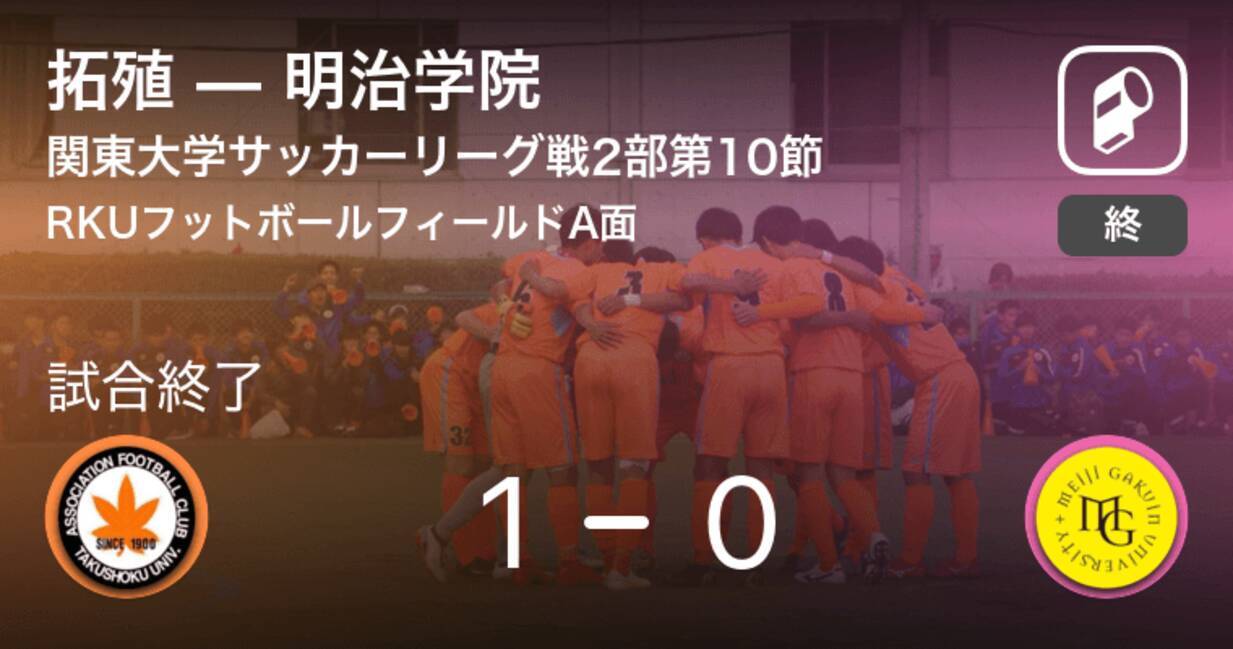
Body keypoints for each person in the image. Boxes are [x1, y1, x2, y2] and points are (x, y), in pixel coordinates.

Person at [846, 238, 982, 579]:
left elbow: (880, 313)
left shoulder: (869, 287)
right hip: (959, 373)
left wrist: (918, 313)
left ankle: (910, 561)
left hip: (940, 379)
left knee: (916, 472)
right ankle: (966, 557)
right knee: (956, 474)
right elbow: (912, 298)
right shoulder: (896, 278)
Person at [570, 239, 689, 590]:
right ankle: (621, 568)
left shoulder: (596, 272)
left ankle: (606, 557)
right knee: (634, 465)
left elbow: (570, 297)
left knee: (598, 465)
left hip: (590, 357)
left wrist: (590, 321)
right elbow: (686, 297)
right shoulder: (660, 270)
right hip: (635, 359)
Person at [418, 284, 505, 578]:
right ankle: (463, 551)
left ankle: (483, 551)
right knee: (461, 462)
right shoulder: (504, 309)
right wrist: (493, 334)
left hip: (479, 385)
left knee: (485, 465)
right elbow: (464, 317)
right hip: (450, 374)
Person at [997, 313, 1057, 435]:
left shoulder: (1042, 351)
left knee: (1038, 439)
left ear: (1035, 329)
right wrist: (1019, 369)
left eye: (1030, 326)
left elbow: (1052, 378)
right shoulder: (1009, 352)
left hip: (1038, 402)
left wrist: (1039, 372)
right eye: (1023, 326)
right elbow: (1002, 378)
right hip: (1017, 402)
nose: (1027, 330)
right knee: (1016, 439)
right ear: (1017, 329)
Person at [1095, 317, 1151, 437]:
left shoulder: (1137, 349)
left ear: (1132, 336)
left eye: (1128, 335)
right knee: (1109, 431)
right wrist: (1108, 377)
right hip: (1110, 395)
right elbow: (1096, 375)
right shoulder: (1105, 349)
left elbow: (1143, 373)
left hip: (1129, 395)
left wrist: (1126, 368)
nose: (1124, 338)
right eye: (1121, 334)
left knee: (1140, 387)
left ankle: (1133, 423)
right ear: (1115, 334)